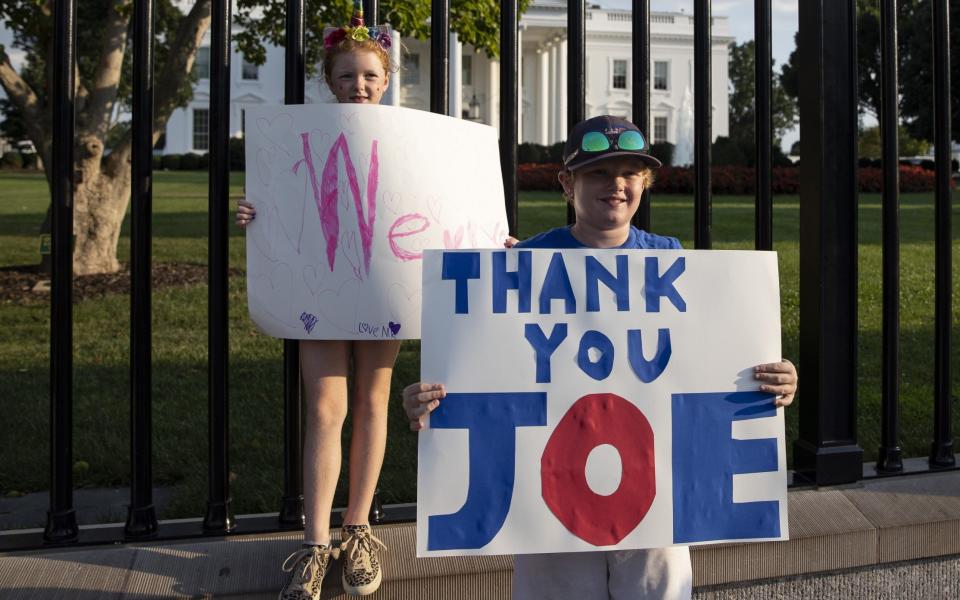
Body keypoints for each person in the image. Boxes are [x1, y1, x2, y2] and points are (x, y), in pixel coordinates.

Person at [402, 115, 799, 600]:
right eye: (597, 174)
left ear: (645, 183)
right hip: (549, 500)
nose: (616, 185)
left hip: (655, 496)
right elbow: (481, 368)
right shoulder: (522, 266)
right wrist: (432, 399)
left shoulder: (672, 261)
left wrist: (774, 380)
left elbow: (710, 364)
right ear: (567, 183)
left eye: (630, 173)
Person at [237, 4, 397, 598]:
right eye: (347, 76)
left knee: (374, 402)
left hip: (383, 283)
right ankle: (315, 542)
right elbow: (282, 200)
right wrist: (254, 216)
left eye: (369, 76)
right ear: (330, 83)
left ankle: (358, 531)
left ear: (385, 82)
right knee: (327, 410)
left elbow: (431, 206)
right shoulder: (299, 137)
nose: (359, 85)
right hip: (318, 281)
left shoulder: (412, 140)